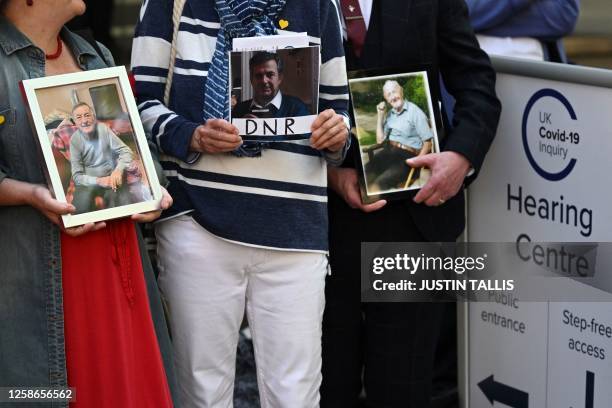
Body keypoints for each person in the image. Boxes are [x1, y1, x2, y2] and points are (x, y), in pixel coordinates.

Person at [131, 0, 350, 406]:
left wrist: (336, 134)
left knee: (296, 396)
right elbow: (135, 106)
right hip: (197, 224)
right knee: (201, 392)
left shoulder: (320, 4)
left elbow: (339, 113)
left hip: (295, 231)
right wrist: (192, 136)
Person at [321, 1, 501, 407]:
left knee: (404, 389)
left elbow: (476, 82)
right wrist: (331, 176)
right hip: (322, 226)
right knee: (324, 388)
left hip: (416, 224)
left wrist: (461, 158)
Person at [0, 1, 178, 406]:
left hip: (119, 268)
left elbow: (137, 148)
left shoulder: (92, 52)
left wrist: (153, 189)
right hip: (46, 276)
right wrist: (29, 194)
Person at [364, 80, 433, 192]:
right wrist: (380, 115)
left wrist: (418, 162)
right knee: (365, 173)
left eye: (394, 92)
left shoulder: (414, 111)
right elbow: (380, 140)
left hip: (408, 156)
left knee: (380, 183)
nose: (393, 97)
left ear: (401, 92)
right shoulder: (390, 114)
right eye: (389, 95)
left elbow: (428, 143)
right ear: (387, 99)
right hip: (389, 152)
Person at [69, 102, 134, 213]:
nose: (84, 121)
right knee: (79, 209)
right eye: (79, 117)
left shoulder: (103, 129)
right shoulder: (74, 140)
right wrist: (98, 181)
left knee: (126, 205)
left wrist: (118, 170)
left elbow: (126, 151)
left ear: (93, 117)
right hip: (89, 182)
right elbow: (77, 176)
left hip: (111, 177)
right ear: (74, 122)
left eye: (87, 115)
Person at [465, 0, 580, 61]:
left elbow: (564, 14)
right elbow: (461, 12)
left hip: (534, 78)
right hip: (466, 77)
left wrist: (484, 17)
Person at [232, 51, 309, 119]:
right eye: (258, 76)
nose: (264, 81)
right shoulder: (239, 110)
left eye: (270, 74)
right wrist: (240, 130)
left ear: (280, 78)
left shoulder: (297, 108)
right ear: (251, 79)